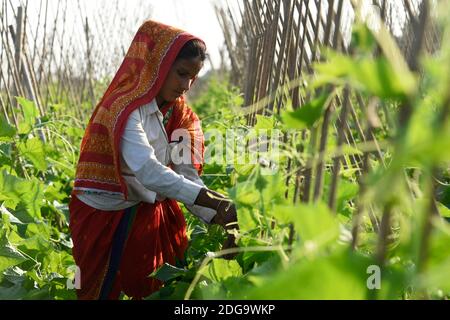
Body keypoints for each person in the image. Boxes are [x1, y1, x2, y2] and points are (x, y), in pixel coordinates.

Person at [68, 20, 238, 300]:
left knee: (152, 288)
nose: (185, 86)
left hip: (147, 207)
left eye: (192, 78)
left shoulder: (183, 117)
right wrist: (214, 201)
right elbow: (147, 169)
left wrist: (219, 215)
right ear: (157, 67)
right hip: (102, 210)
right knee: (97, 290)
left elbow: (187, 176)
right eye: (181, 74)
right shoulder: (123, 109)